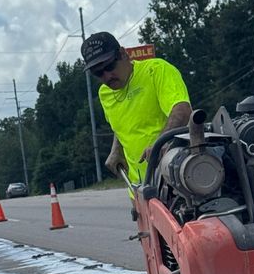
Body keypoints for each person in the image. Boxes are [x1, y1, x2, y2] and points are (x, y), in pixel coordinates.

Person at [81, 32, 192, 187]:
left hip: (174, 178)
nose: (106, 76)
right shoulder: (104, 94)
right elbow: (121, 126)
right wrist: (116, 151)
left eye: (109, 66)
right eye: (98, 73)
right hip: (138, 185)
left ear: (123, 54)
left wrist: (160, 144)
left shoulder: (156, 70)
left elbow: (182, 109)